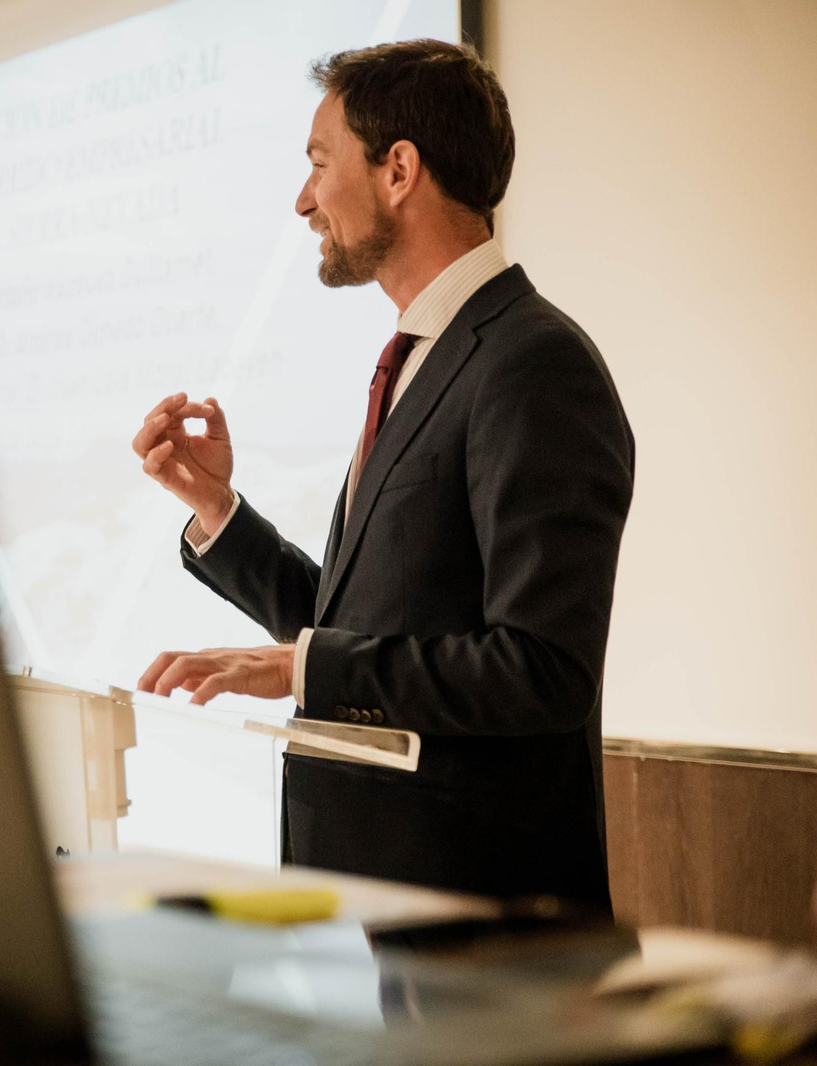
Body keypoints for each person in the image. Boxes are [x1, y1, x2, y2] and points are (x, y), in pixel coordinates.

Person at [133, 40, 633, 907]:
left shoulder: (534, 364)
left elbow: (543, 670)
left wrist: (303, 669)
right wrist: (216, 510)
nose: (303, 200)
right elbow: (359, 622)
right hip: (374, 909)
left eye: (319, 164)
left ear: (398, 170)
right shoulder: (422, 359)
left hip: (482, 926)